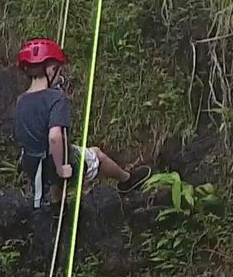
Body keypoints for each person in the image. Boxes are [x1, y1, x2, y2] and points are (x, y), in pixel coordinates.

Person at [13, 38, 149, 209]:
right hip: (54, 164)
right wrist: (61, 168)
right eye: (58, 70)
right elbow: (55, 137)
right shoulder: (56, 98)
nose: (60, 76)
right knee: (96, 155)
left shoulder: (21, 101)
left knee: (56, 162)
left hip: (32, 165)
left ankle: (57, 208)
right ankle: (127, 180)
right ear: (50, 69)